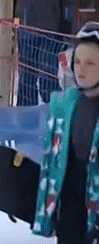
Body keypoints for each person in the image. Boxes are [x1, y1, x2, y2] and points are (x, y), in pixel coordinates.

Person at [33, 22, 99, 243]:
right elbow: (51, 157)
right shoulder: (64, 104)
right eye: (78, 61)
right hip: (71, 192)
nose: (81, 69)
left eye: (90, 63)